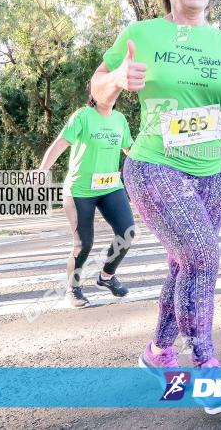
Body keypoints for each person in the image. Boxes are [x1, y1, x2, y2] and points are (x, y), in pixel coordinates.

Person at [90, 0, 221, 378]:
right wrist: (117, 80)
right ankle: (206, 366)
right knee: (202, 256)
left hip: (212, 170)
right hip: (153, 163)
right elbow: (97, 92)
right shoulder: (140, 34)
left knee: (185, 262)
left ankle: (158, 350)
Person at [38, 86, 137, 308]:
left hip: (111, 186)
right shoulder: (82, 116)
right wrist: (42, 169)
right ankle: (73, 289)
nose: (112, 94)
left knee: (127, 232)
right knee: (84, 244)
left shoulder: (120, 119)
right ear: (94, 94)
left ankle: (106, 276)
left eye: (116, 92)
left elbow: (130, 149)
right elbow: (60, 143)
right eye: (107, 90)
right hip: (80, 190)